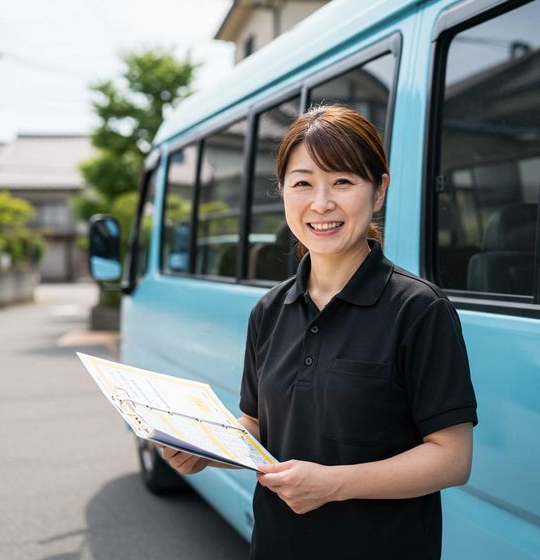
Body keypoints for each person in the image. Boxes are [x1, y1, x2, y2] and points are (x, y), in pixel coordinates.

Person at [159, 105, 477, 559]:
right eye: (303, 183)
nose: (321, 203)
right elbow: (256, 420)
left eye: (343, 182)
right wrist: (206, 448)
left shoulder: (419, 309)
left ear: (379, 191)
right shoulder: (269, 310)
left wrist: (332, 485)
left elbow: (452, 457)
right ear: (284, 192)